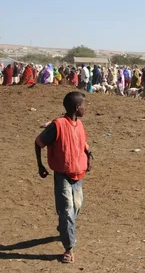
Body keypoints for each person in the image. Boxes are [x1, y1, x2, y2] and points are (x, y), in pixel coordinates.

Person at [34, 91, 93, 264]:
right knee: (67, 209)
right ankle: (69, 248)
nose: (85, 108)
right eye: (84, 105)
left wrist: (89, 156)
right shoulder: (58, 125)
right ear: (77, 107)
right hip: (62, 175)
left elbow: (82, 143)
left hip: (78, 173)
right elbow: (38, 142)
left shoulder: (79, 124)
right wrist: (40, 165)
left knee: (77, 206)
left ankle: (64, 227)